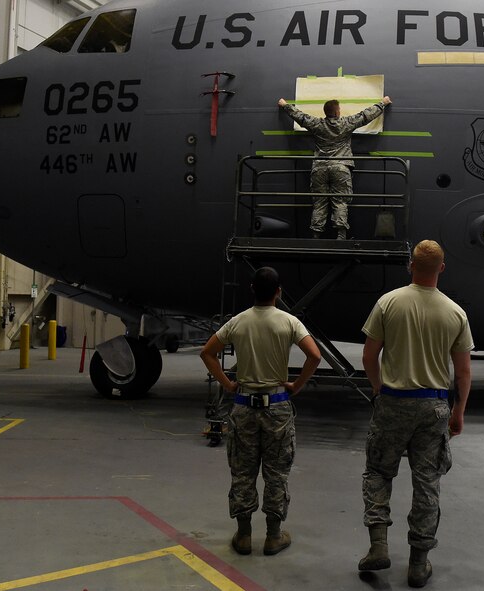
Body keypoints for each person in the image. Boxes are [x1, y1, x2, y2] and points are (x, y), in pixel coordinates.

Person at [358, 240, 474, 588]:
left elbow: (369, 356)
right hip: (433, 406)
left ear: (411, 265)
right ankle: (418, 564)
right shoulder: (455, 313)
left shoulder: (388, 303)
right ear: (441, 268)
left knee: (379, 471)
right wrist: (458, 411)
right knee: (427, 482)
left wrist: (378, 390)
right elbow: (463, 372)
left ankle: (378, 545)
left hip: (393, 402)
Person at [200, 266, 322, 556]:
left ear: (252, 289)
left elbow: (208, 352)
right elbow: (314, 356)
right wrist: (296, 385)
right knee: (276, 473)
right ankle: (273, 536)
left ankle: (243, 536)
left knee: (243, 472)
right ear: (278, 292)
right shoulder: (289, 322)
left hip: (244, 406)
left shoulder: (238, 322)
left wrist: (228, 383)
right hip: (277, 406)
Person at [277, 96, 392, 239]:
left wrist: (285, 105)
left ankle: (316, 236)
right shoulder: (346, 123)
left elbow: (300, 117)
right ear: (337, 112)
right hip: (341, 167)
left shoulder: (317, 124)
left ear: (325, 112)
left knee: (319, 203)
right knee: (341, 201)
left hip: (319, 168)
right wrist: (383, 103)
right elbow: (365, 116)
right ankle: (341, 236)